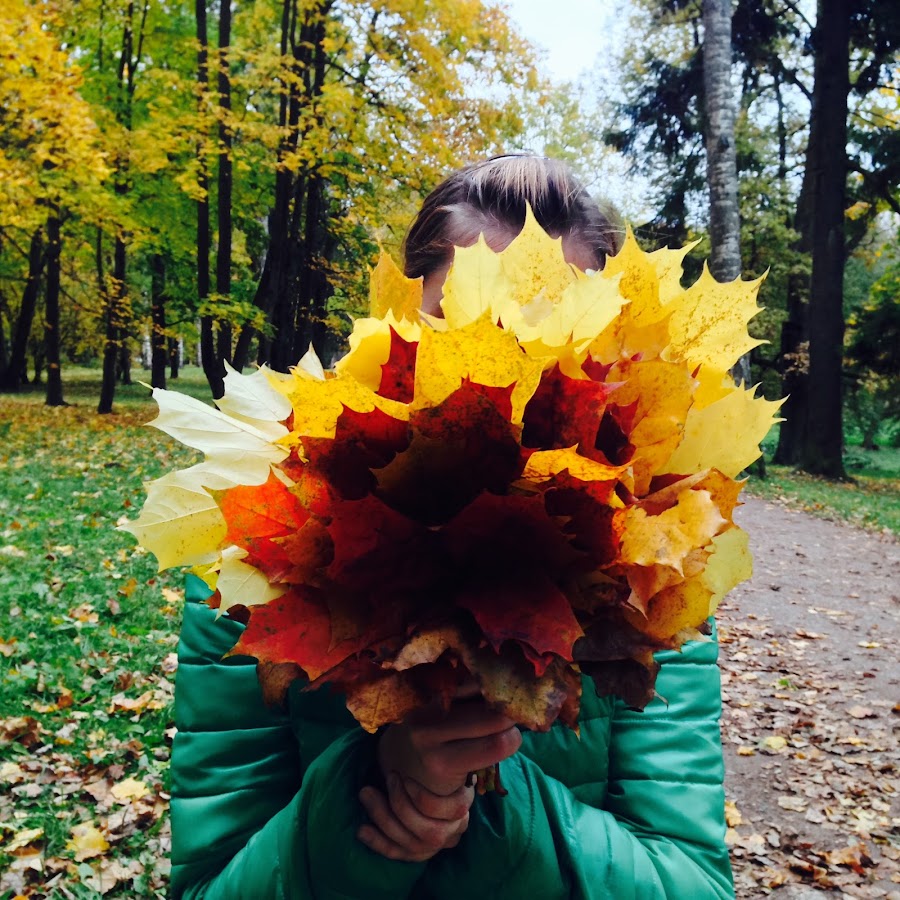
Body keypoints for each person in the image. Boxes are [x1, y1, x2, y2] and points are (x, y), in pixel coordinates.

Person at [169, 156, 735, 899]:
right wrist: (367, 801)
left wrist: (500, 809)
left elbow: (691, 882)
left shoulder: (655, 584)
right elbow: (209, 884)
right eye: (468, 329)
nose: (504, 382)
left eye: (557, 339)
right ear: (396, 337)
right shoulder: (258, 557)